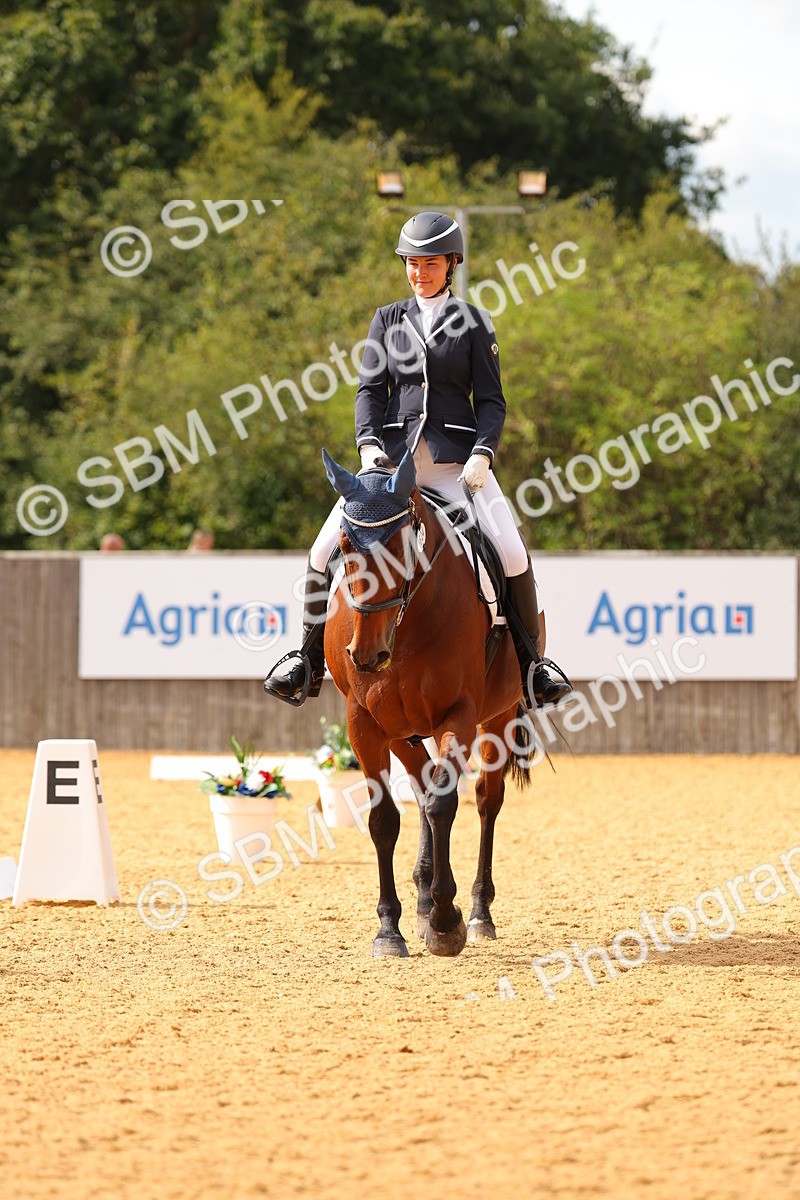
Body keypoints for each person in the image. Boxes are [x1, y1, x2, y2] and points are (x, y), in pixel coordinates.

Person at [264, 211, 572, 709]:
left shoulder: (473, 321)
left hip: (456, 469)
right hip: (389, 470)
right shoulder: (387, 318)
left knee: (512, 553)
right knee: (322, 552)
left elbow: (491, 401)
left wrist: (483, 453)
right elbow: (370, 389)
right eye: (411, 262)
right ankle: (305, 660)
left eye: (429, 263)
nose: (419, 271)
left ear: (451, 264)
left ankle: (533, 667)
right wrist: (368, 445)